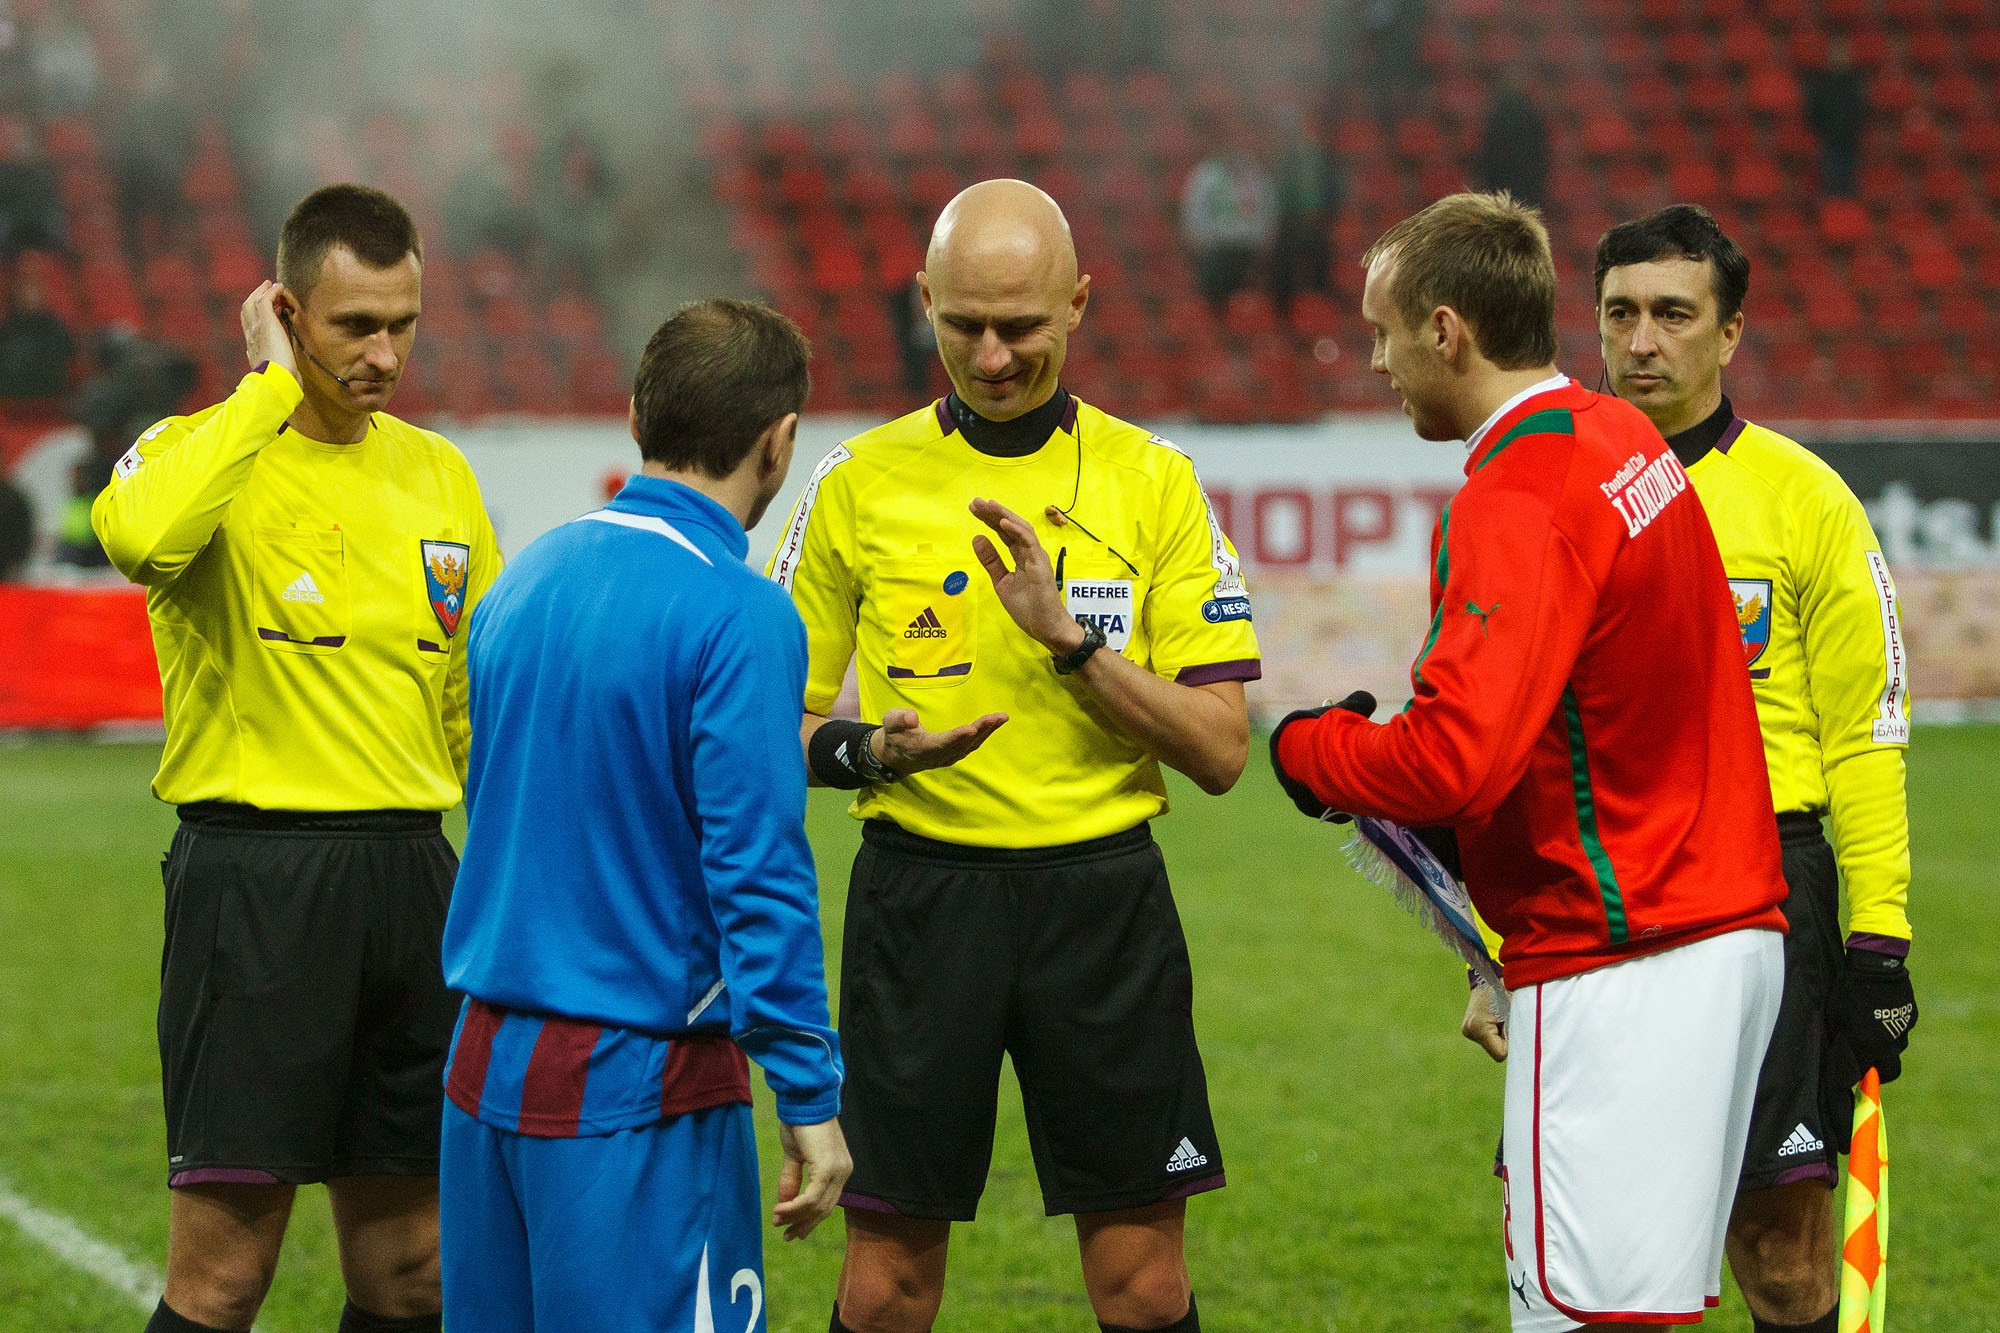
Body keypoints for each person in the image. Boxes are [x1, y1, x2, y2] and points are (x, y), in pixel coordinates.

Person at [1270, 191, 1789, 1332]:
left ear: (1445, 331)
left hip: (1624, 958)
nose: (1374, 359)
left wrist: (1310, 749)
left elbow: (1456, 758)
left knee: (1586, 1317)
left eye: (1382, 331)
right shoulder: (1619, 438)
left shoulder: (1519, 492)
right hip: (1717, 929)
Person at [769, 178, 1260, 1333]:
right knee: (886, 1285)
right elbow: (764, 721)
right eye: (963, 326)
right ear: (922, 301)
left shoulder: (1155, 482)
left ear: (1080, 303)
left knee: (1140, 1286)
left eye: (1022, 327)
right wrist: (865, 752)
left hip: (1102, 904)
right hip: (918, 902)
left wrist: (1072, 645)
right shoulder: (855, 485)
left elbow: (1221, 747)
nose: (990, 358)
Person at [1462, 202, 1906, 1333]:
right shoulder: (1547, 488)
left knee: (1783, 1253)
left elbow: (1863, 729)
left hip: (1767, 888)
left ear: (1730, 333)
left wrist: (1880, 940)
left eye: (1672, 313)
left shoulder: (1803, 499)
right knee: (1612, 1249)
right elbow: (1493, 738)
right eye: (1618, 314)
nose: (1642, 340)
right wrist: (1486, 948)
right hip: (1599, 895)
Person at [91, 183, 498, 1333]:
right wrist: (265, 388)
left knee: (413, 1268)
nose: (382, 353)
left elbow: (473, 705)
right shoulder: (200, 457)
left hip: (416, 880)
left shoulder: (438, 476)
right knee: (225, 1274)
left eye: (402, 324)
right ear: (283, 313)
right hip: (257, 885)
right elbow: (139, 537)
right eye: (351, 325)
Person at [437, 298, 850, 1330]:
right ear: (779, 440)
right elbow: (756, 867)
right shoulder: (739, 611)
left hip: (484, 1065)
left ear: (636, 415)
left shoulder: (521, 578)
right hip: (635, 1081)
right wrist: (806, 1090)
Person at [1179, 131, 1276, 315]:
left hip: (1249, 249)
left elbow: (1268, 210)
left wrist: (1266, 240)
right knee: (1215, 301)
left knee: (1249, 303)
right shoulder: (1207, 175)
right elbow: (1194, 208)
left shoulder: (1256, 176)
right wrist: (1200, 240)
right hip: (1217, 249)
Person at [1802, 37, 1867, 198]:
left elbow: (1862, 111)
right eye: (1836, 54)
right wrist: (1825, 130)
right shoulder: (1822, 84)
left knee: (1849, 187)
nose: (1839, 58)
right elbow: (1814, 112)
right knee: (1831, 185)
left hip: (1850, 141)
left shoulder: (1855, 84)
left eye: (1842, 54)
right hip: (1829, 141)